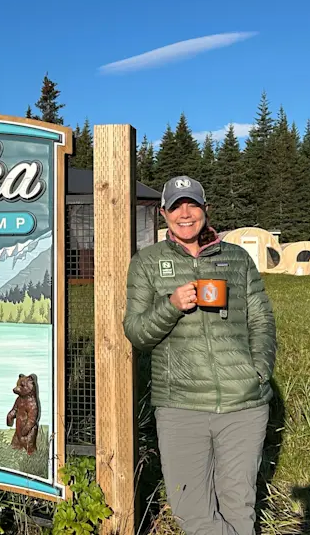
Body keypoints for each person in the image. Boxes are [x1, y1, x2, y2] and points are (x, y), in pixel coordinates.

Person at [123, 175, 277, 535]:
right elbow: (136, 333)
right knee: (190, 510)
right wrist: (171, 306)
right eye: (177, 207)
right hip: (180, 407)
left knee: (238, 504)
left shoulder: (236, 259)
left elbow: (262, 319)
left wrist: (259, 371)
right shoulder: (147, 262)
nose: (186, 214)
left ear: (206, 210)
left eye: (192, 204)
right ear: (164, 214)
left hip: (244, 405)